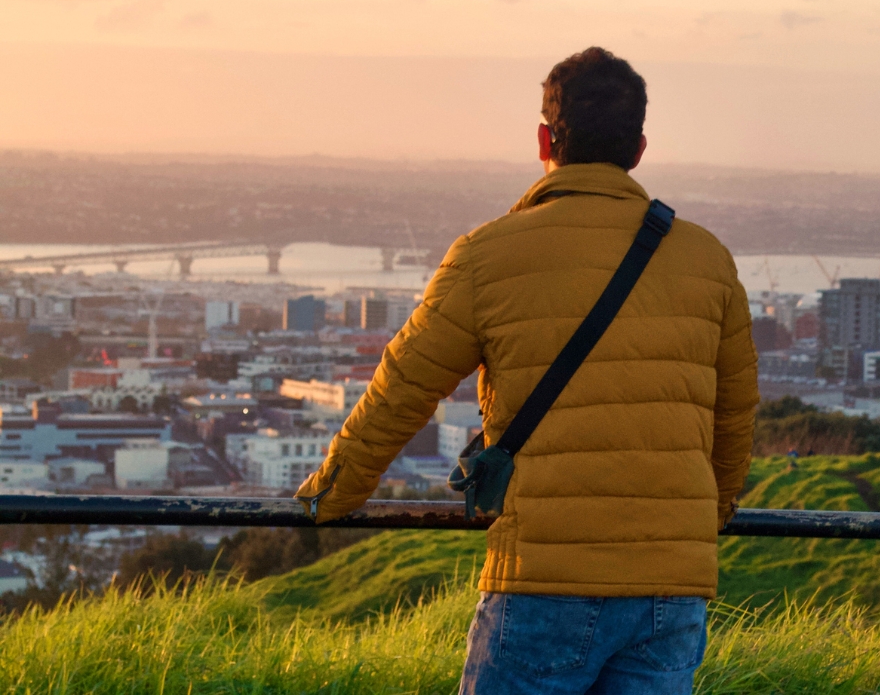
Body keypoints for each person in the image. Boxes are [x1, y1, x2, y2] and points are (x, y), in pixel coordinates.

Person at [293, 47, 760, 695]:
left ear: (545, 139)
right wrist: (707, 515)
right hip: (671, 586)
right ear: (640, 148)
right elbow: (734, 415)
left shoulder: (488, 255)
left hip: (543, 574)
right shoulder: (706, 260)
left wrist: (328, 496)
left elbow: (403, 387)